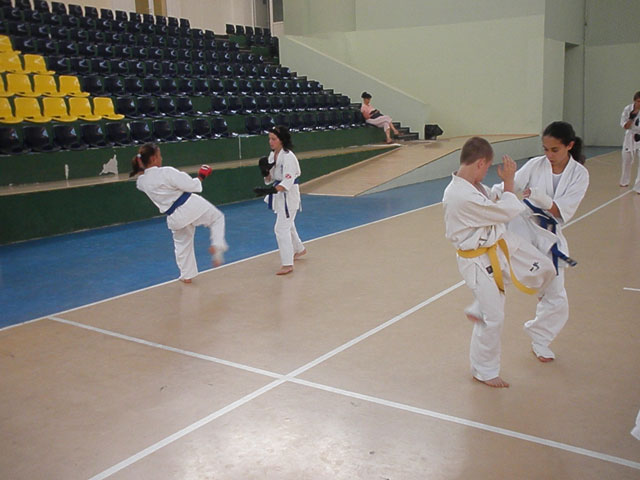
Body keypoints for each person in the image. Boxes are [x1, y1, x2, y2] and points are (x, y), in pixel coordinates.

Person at [443, 137, 556, 388]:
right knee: (493, 318)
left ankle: (479, 305)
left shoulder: (471, 186)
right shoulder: (460, 195)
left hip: (492, 250)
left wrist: (505, 185)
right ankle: (484, 370)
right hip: (476, 260)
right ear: (480, 163)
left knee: (544, 267)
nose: (485, 173)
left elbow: (492, 199)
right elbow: (506, 210)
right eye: (486, 168)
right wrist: (509, 182)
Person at [502, 121, 589, 362]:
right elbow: (510, 187)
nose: (549, 155)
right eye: (545, 149)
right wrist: (488, 191)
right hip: (523, 225)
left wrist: (542, 198)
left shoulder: (579, 174)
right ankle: (481, 305)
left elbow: (561, 211)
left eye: (554, 150)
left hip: (549, 234)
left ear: (569, 146)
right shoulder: (535, 164)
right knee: (499, 268)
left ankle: (540, 337)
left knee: (557, 296)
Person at [130, 142, 228, 283]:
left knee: (182, 245)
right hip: (190, 205)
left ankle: (186, 275)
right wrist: (201, 176)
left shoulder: (142, 182)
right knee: (217, 218)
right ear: (153, 158)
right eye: (159, 155)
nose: (161, 158)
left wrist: (141, 166)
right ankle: (217, 246)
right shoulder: (167, 172)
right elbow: (191, 185)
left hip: (174, 217)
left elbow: (142, 175)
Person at [253, 126, 306, 275]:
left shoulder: (288, 157)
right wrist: (265, 173)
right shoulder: (272, 155)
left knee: (281, 228)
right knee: (288, 224)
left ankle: (287, 264)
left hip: (289, 196)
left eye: (274, 139)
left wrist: (269, 190)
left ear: (282, 140)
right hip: (279, 195)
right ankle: (299, 249)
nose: (270, 142)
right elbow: (271, 179)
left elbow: (288, 181)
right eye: (269, 139)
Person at [619, 91, 640, 192]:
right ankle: (624, 181)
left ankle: (638, 186)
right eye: (638, 101)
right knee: (626, 159)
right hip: (630, 136)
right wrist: (632, 118)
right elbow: (625, 126)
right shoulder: (628, 109)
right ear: (634, 101)